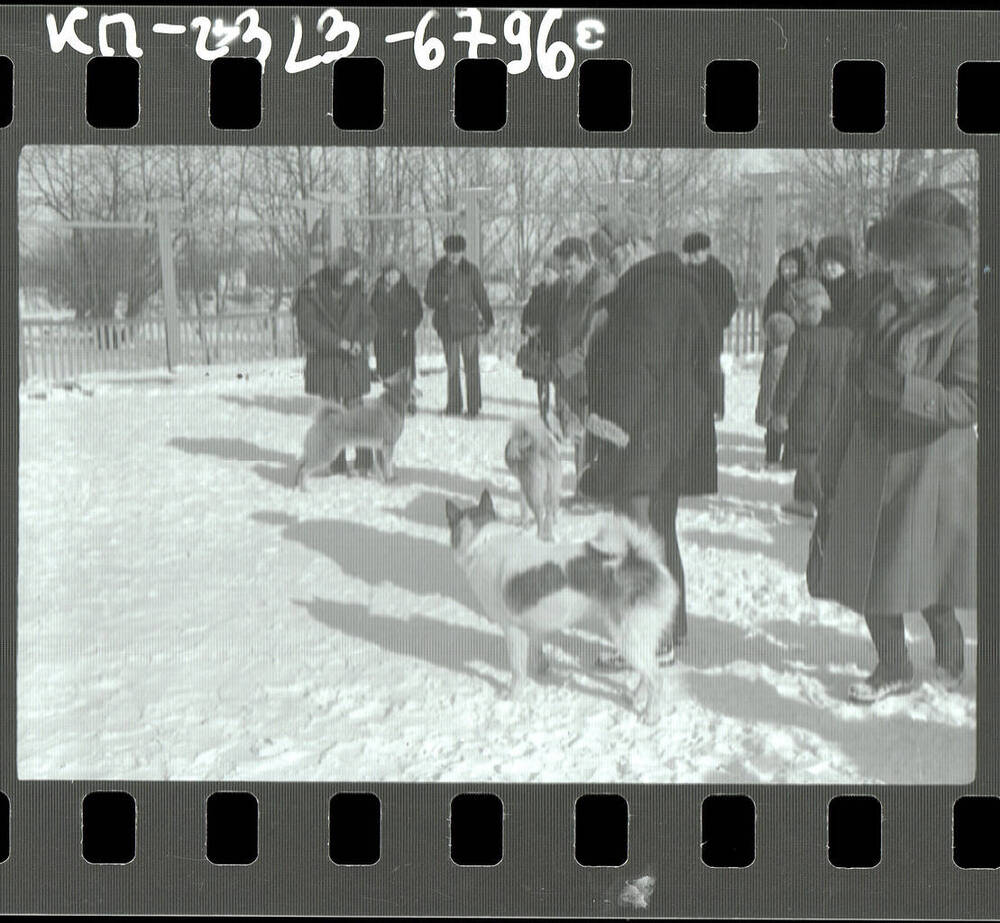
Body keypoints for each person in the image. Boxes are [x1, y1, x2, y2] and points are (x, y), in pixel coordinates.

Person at [813, 188, 976, 703]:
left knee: (924, 574)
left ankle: (950, 658)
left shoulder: (968, 320)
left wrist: (904, 390)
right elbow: (851, 384)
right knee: (870, 570)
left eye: (913, 270)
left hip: (929, 469)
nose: (900, 277)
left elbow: (969, 402)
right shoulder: (879, 304)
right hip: (870, 456)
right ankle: (895, 665)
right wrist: (830, 456)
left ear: (942, 273)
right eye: (899, 265)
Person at [580, 215, 716, 658]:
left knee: (640, 541)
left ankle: (652, 639)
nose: (610, 266)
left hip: (641, 435)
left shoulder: (648, 289)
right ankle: (670, 631)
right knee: (658, 535)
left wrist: (608, 426)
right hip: (668, 434)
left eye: (614, 255)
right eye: (605, 259)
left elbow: (634, 370)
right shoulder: (670, 284)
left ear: (638, 244)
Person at [292, 240, 376, 474]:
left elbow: (370, 320)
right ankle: (336, 464)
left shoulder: (356, 289)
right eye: (353, 271)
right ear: (341, 272)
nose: (357, 274)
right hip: (326, 363)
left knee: (356, 413)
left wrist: (359, 340)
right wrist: (339, 343)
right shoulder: (311, 290)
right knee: (332, 415)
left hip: (351, 362)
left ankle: (365, 463)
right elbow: (308, 327)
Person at [769, 278, 851, 517]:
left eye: (793, 310)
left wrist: (780, 411)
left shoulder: (804, 337)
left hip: (808, 412)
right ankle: (803, 499)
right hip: (836, 409)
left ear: (805, 307)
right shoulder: (845, 332)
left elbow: (790, 379)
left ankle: (825, 511)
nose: (792, 316)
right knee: (819, 458)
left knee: (808, 461)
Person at [552, 236, 615, 487]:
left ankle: (593, 491)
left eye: (571, 267)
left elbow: (589, 341)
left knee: (593, 434)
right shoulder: (572, 287)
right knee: (579, 434)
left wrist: (558, 368)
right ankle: (583, 487)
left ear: (587, 260)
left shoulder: (600, 285)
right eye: (563, 268)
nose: (566, 274)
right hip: (574, 377)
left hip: (594, 374)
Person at [424, 234, 494, 417]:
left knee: (472, 366)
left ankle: (473, 407)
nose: (454, 256)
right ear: (446, 252)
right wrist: (441, 300)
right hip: (447, 325)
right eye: (451, 252)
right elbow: (428, 298)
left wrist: (488, 319)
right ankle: (454, 405)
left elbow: (481, 297)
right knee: (452, 367)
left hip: (469, 325)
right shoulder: (436, 271)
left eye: (458, 252)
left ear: (463, 252)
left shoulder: (471, 271)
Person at [682, 231, 739, 420]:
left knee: (712, 366)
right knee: (689, 366)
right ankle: (691, 403)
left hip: (711, 330)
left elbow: (731, 300)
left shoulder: (719, 272)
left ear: (706, 250)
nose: (695, 256)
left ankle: (715, 407)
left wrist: (720, 319)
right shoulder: (684, 272)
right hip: (689, 329)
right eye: (691, 252)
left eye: (699, 251)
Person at [371, 260, 423, 412]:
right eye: (389, 274)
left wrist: (409, 326)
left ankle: (409, 400)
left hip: (403, 337)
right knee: (387, 370)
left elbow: (418, 313)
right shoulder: (376, 291)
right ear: (384, 275)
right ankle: (391, 400)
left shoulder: (410, 292)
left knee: (405, 370)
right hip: (383, 338)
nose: (392, 277)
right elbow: (368, 312)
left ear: (401, 274)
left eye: (395, 273)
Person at [519, 254, 566, 420]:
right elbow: (527, 311)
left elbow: (558, 317)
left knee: (559, 380)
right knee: (541, 377)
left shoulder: (563, 292)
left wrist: (541, 328)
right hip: (538, 344)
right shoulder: (538, 291)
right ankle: (543, 411)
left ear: (558, 274)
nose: (546, 275)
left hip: (555, 343)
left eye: (550, 272)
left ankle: (561, 414)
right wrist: (526, 327)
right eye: (545, 271)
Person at [754, 310, 797, 468]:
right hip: (789, 402)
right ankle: (789, 459)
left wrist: (764, 410)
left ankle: (772, 457)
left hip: (774, 403)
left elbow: (769, 383)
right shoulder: (794, 352)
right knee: (790, 432)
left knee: (773, 433)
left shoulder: (773, 355)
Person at [815, 234, 861, 327]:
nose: (827, 268)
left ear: (844, 263)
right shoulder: (816, 286)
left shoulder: (857, 287)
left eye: (832, 263)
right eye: (824, 263)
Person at [762, 247, 807, 323]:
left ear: (799, 268)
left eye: (792, 267)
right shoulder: (776, 287)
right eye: (784, 268)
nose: (788, 272)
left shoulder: (807, 284)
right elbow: (767, 312)